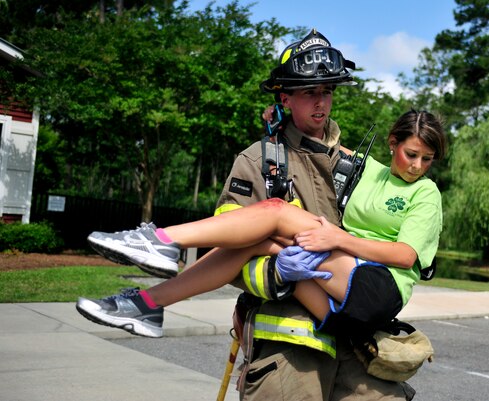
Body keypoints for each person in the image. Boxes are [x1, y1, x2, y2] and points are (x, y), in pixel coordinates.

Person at [77, 30, 438, 401]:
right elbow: (227, 246)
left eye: (327, 92)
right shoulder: (260, 161)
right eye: (308, 92)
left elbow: (398, 239)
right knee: (261, 233)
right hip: (290, 346)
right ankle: (150, 285)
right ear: (285, 97)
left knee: (274, 225)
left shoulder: (358, 167)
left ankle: (152, 278)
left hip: (360, 347)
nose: (321, 103)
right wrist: (275, 273)